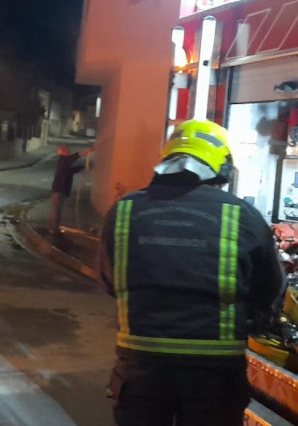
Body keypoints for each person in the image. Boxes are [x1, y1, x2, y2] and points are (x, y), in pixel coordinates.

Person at [99, 120, 284, 426]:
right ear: (222, 168)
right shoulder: (242, 215)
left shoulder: (124, 210)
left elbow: (109, 280)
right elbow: (269, 290)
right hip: (214, 373)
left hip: (141, 366)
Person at [48, 145, 92, 234]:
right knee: (56, 210)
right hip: (59, 190)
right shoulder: (63, 160)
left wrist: (81, 167)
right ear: (63, 152)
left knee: (58, 210)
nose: (69, 152)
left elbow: (70, 171)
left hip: (61, 189)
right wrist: (87, 151)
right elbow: (74, 157)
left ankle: (55, 228)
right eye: (67, 151)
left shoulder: (64, 162)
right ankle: (52, 229)